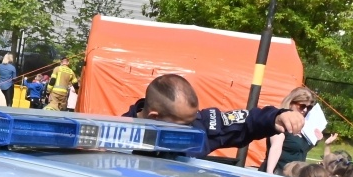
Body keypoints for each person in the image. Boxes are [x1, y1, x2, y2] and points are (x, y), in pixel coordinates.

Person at [122, 73, 307, 152]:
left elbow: (244, 121)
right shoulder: (112, 138)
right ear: (155, 117)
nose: (191, 129)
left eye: (192, 120)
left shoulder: (199, 126)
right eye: (184, 125)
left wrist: (276, 117)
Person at [261, 87, 322, 172]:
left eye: (309, 108)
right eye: (302, 106)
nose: (305, 110)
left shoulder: (303, 126)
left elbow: (300, 151)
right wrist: (269, 174)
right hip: (278, 173)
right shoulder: (281, 122)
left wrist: (316, 140)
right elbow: (276, 148)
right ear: (290, 103)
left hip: (294, 175)